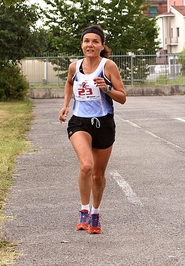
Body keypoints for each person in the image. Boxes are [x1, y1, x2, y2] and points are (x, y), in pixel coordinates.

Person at [58, 25, 126, 234]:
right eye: (86, 41)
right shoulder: (74, 66)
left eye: (95, 41)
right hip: (79, 122)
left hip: (104, 123)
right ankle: (84, 210)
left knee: (97, 175)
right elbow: (69, 84)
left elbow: (122, 97)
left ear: (102, 45)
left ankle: (95, 213)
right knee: (86, 165)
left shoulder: (109, 66)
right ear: (82, 44)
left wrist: (106, 88)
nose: (90, 45)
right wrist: (65, 104)